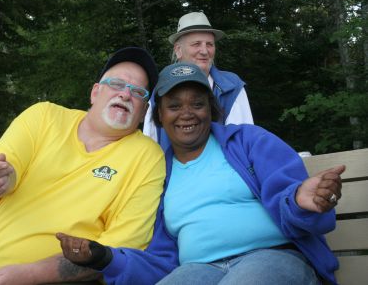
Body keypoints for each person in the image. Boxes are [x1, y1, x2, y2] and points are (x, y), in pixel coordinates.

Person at [57, 62, 345, 285]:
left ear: (211, 109)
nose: (187, 113)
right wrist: (105, 257)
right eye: (174, 106)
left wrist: (299, 201)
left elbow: (292, 200)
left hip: (272, 257)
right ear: (159, 116)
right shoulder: (159, 171)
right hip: (197, 270)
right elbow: (160, 260)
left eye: (197, 103)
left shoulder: (248, 142)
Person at [0, 47, 166, 285]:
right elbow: (9, 164)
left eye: (138, 92)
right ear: (95, 92)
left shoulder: (147, 156)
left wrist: (31, 273)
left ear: (144, 109)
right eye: (117, 84)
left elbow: (117, 251)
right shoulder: (44, 116)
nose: (125, 94)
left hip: (60, 279)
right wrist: (0, 178)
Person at [143, 11, 254, 145]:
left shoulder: (231, 87)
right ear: (178, 50)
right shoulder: (160, 89)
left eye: (209, 44)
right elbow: (150, 142)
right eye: (196, 44)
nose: (204, 51)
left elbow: (244, 142)